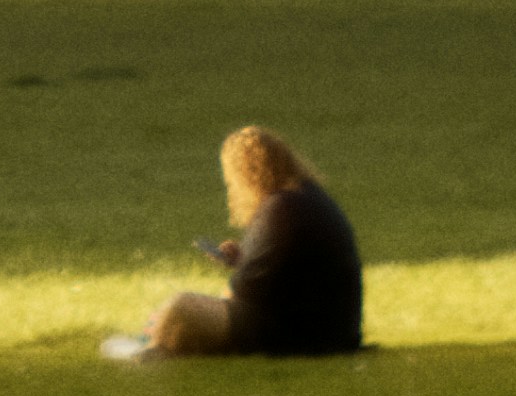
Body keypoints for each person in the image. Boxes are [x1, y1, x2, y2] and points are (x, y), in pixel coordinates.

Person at [101, 123, 363, 360]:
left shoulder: (280, 207)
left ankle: (150, 351)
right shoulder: (306, 198)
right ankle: (157, 340)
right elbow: (291, 275)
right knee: (187, 311)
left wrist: (227, 287)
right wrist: (243, 259)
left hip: (296, 334)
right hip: (330, 331)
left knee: (182, 307)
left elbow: (243, 292)